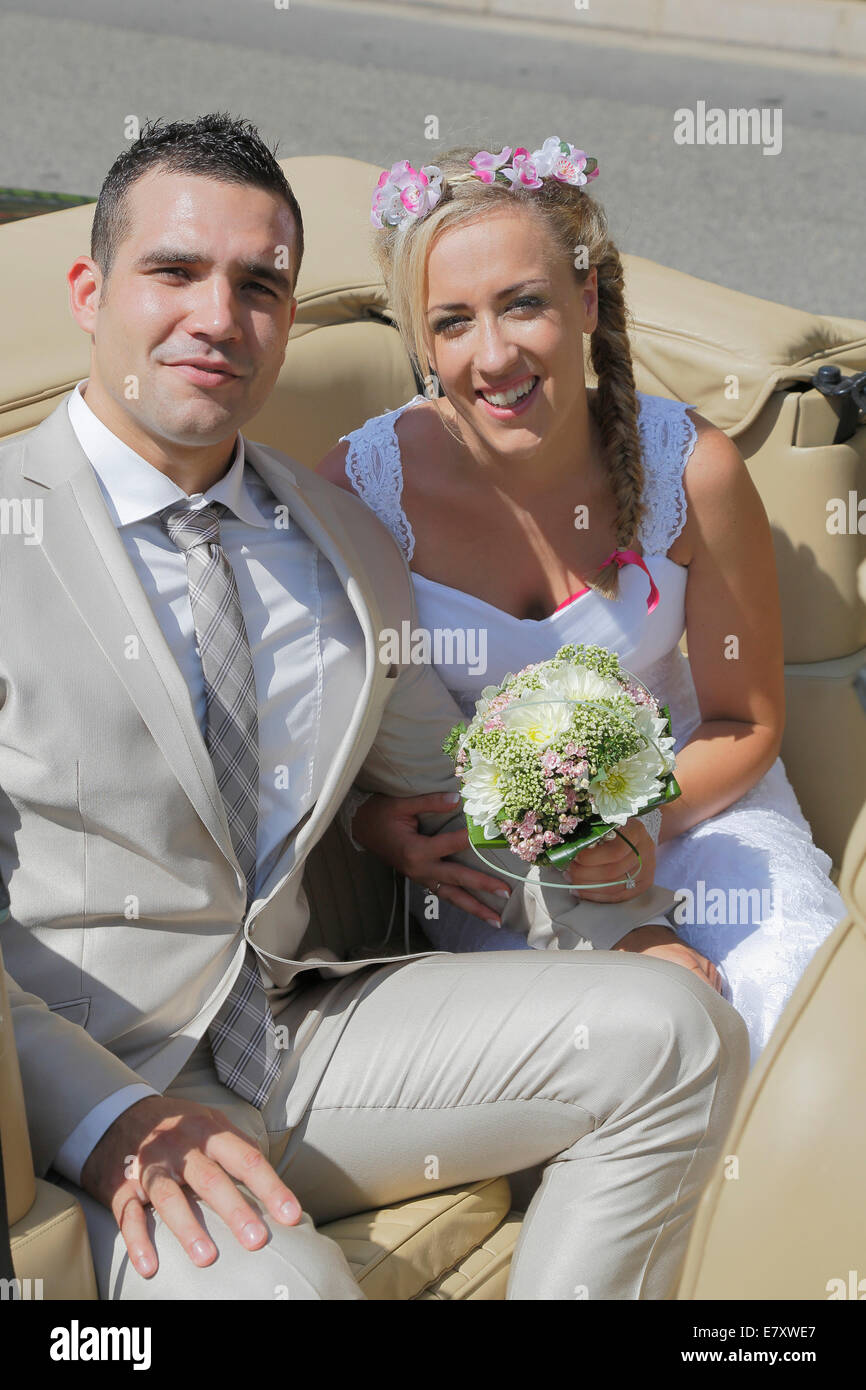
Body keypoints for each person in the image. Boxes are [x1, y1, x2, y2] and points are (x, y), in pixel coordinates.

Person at [0, 114, 748, 1301]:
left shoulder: (343, 540)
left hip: (304, 1030)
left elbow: (445, 800)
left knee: (676, 1031)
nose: (217, 316)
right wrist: (105, 1118)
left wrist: (619, 920)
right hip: (74, 1082)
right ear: (91, 291)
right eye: (174, 272)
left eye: (259, 285)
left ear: (287, 321)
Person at [318, 138, 847, 1068]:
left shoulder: (696, 470)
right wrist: (372, 825)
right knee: (640, 1045)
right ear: (420, 341)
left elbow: (744, 718)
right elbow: (329, 736)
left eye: (524, 303)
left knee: (800, 1022)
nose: (493, 355)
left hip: (698, 804)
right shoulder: (365, 493)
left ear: (588, 297)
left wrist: (637, 824)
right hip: (491, 861)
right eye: (452, 322)